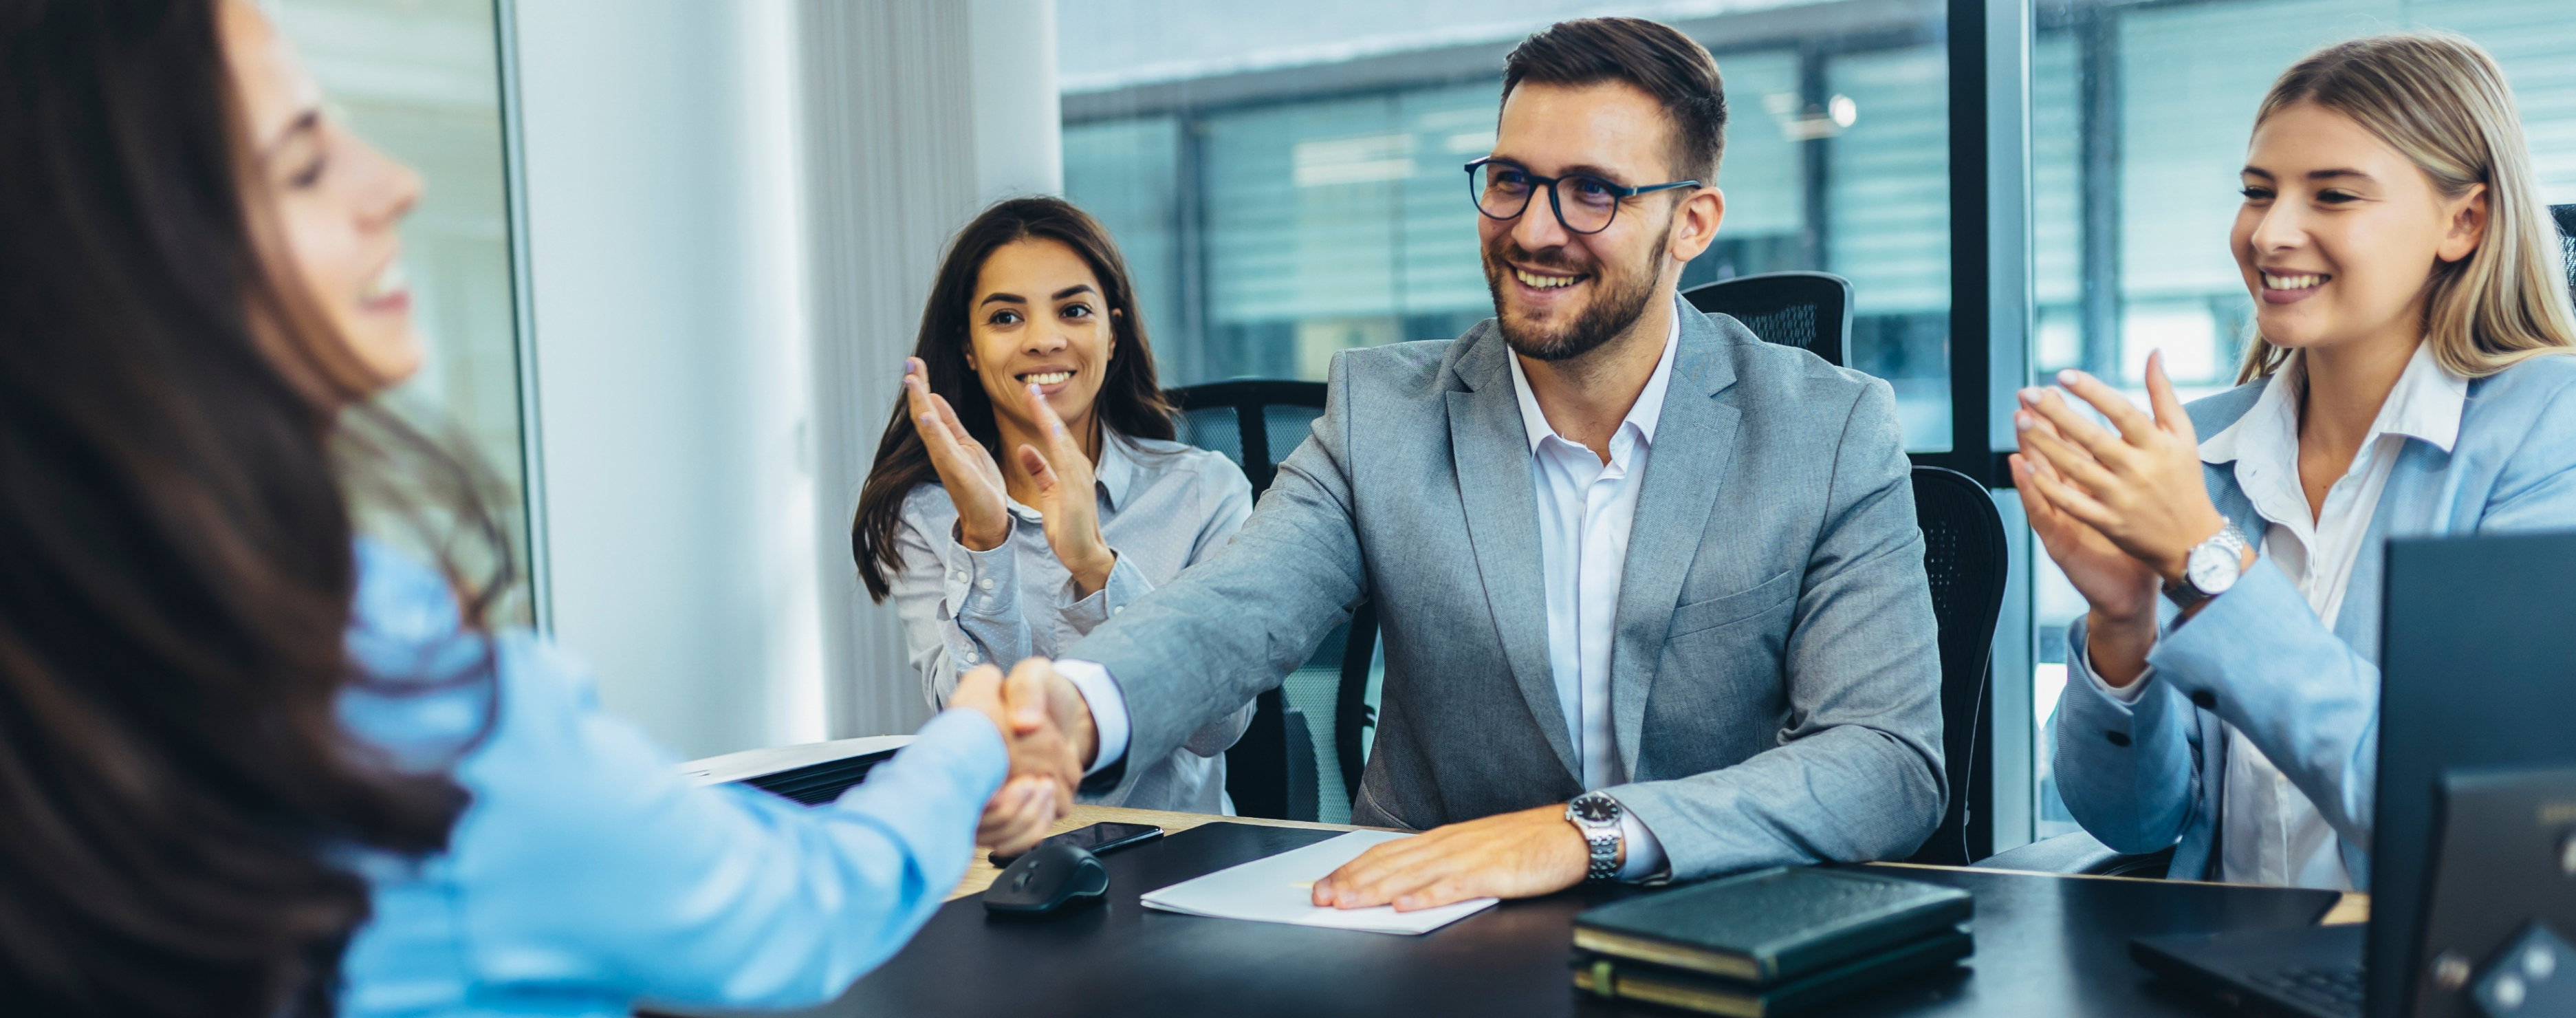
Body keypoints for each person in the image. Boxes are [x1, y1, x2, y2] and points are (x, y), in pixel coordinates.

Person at [0, 2, 1073, 1015]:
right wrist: (972, 744)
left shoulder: (74, 653)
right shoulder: (377, 676)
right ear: (133, 268)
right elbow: (781, 913)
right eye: (304, 164)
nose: (393, 185)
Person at [994, 16, 1947, 912]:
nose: (1534, 229)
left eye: (1592, 191)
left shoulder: (1827, 429)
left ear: (1691, 222)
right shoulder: (1382, 418)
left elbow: (1884, 760)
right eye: (1509, 179)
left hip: (1731, 928)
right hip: (1439, 940)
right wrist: (1075, 705)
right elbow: (1232, 611)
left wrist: (1588, 835)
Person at [2021, 31, 2576, 890]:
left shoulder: (2548, 432)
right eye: (2256, 192)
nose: (2270, 232)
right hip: (2227, 967)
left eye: (2333, 195)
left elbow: (2448, 817)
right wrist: (2121, 626)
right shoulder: (2201, 451)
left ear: (2460, 221)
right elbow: (2132, 820)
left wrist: (2208, 569)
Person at [851, 197, 1256, 814]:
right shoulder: (926, 513)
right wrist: (985, 543)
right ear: (967, 346)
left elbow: (1218, 728)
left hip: (1178, 860)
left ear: (1112, 333)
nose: (1044, 340)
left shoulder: (1204, 491)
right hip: (1011, 862)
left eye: (1073, 310)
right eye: (1006, 318)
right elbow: (975, 727)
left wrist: (1097, 566)